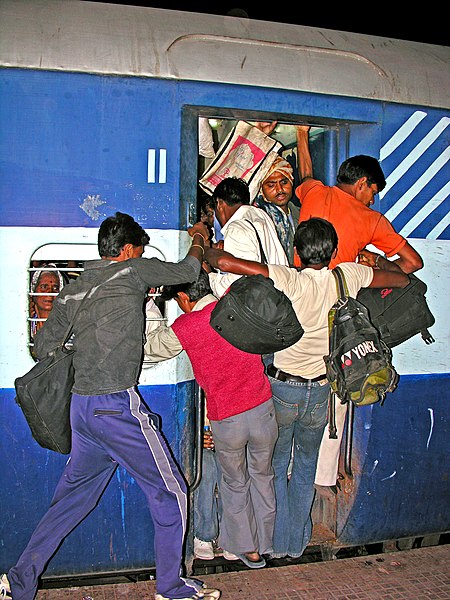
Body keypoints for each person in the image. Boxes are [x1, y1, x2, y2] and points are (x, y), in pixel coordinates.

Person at [0, 212, 220, 600]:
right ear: (130, 250)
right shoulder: (132, 272)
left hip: (81, 410)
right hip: (116, 407)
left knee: (69, 502)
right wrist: (199, 237)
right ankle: (170, 585)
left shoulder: (73, 290)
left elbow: (42, 349)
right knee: (172, 493)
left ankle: (19, 582)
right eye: (140, 251)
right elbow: (187, 268)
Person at [203, 217, 409, 559]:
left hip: (284, 390)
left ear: (297, 252)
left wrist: (203, 244)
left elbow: (225, 262)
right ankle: (296, 544)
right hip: (322, 393)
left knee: (277, 465)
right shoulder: (348, 276)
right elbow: (401, 278)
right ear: (331, 250)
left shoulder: (290, 278)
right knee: (304, 468)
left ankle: (276, 542)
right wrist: (376, 262)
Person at [295, 125, 423, 491]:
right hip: (336, 309)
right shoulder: (371, 220)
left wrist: (302, 135)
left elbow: (306, 175)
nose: (372, 200)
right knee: (339, 386)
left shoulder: (315, 193)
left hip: (299, 301)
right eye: (373, 192)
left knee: (291, 382)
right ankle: (322, 476)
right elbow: (412, 263)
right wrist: (374, 260)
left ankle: (290, 466)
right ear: (364, 183)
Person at [144, 269, 278, 569]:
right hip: (263, 409)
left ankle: (248, 550)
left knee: (235, 483)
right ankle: (266, 542)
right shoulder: (235, 307)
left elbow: (150, 349)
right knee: (263, 476)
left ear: (183, 297)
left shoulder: (187, 325)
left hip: (228, 418)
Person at [206, 177, 289, 299]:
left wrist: (209, 274)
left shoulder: (236, 228)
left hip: (260, 306)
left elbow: (234, 286)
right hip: (278, 299)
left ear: (219, 203)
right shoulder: (260, 215)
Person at [29, 264, 64, 339]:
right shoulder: (24, 326)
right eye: (44, 287)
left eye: (55, 288)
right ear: (33, 293)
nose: (50, 292)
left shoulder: (67, 327)